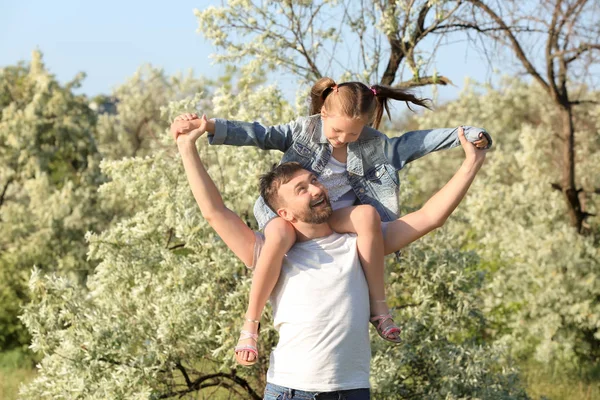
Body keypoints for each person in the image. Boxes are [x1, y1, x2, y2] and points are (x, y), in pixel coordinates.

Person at [171, 77, 492, 365]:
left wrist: (469, 148)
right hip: (289, 384)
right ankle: (250, 324)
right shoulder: (274, 241)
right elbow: (219, 202)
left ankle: (379, 309)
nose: (342, 139)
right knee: (280, 233)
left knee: (366, 214)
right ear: (323, 115)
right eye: (302, 187)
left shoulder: (359, 239)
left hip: (350, 385)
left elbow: (428, 206)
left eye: (353, 133)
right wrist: (201, 131)